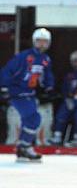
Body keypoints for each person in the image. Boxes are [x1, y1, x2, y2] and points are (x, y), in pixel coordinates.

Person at [0, 28, 55, 161]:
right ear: (34, 41)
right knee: (33, 119)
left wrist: (49, 88)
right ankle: (24, 147)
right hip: (17, 93)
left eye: (44, 42)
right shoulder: (24, 56)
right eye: (39, 41)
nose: (41, 44)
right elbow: (8, 70)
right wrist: (4, 87)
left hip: (30, 94)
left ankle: (23, 148)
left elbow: (47, 76)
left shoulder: (46, 59)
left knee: (28, 120)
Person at [47, 51, 77, 146]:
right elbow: (64, 88)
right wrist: (67, 98)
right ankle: (57, 136)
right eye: (75, 61)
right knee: (62, 113)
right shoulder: (69, 75)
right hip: (71, 101)